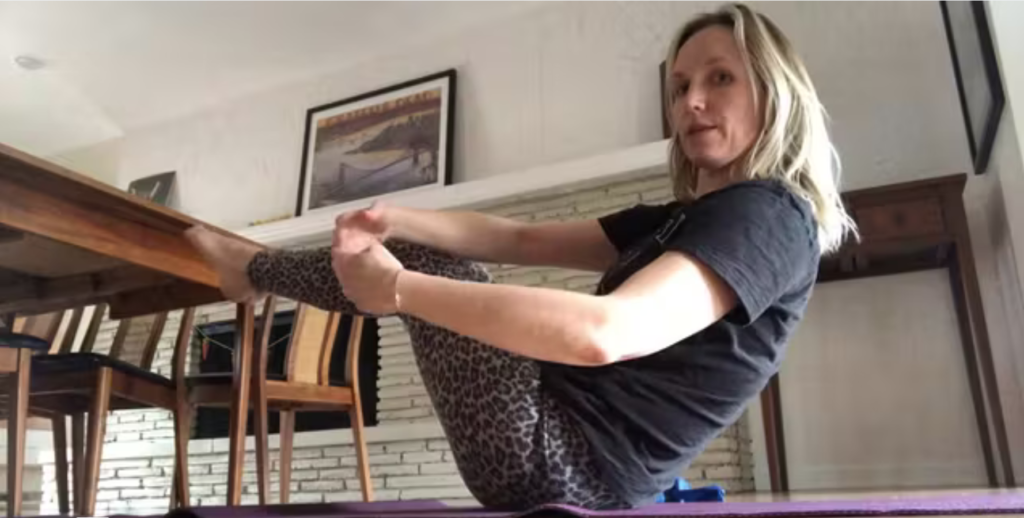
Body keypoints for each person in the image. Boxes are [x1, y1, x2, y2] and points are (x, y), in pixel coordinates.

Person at [186, 3, 856, 510]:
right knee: (431, 254)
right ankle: (250, 269)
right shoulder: (687, 218)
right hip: (561, 448)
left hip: (563, 461)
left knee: (429, 272)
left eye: (720, 79)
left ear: (774, 91)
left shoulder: (768, 213)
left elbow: (606, 334)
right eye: (679, 87)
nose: (693, 102)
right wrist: (399, 216)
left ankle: (247, 270)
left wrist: (400, 289)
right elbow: (519, 239)